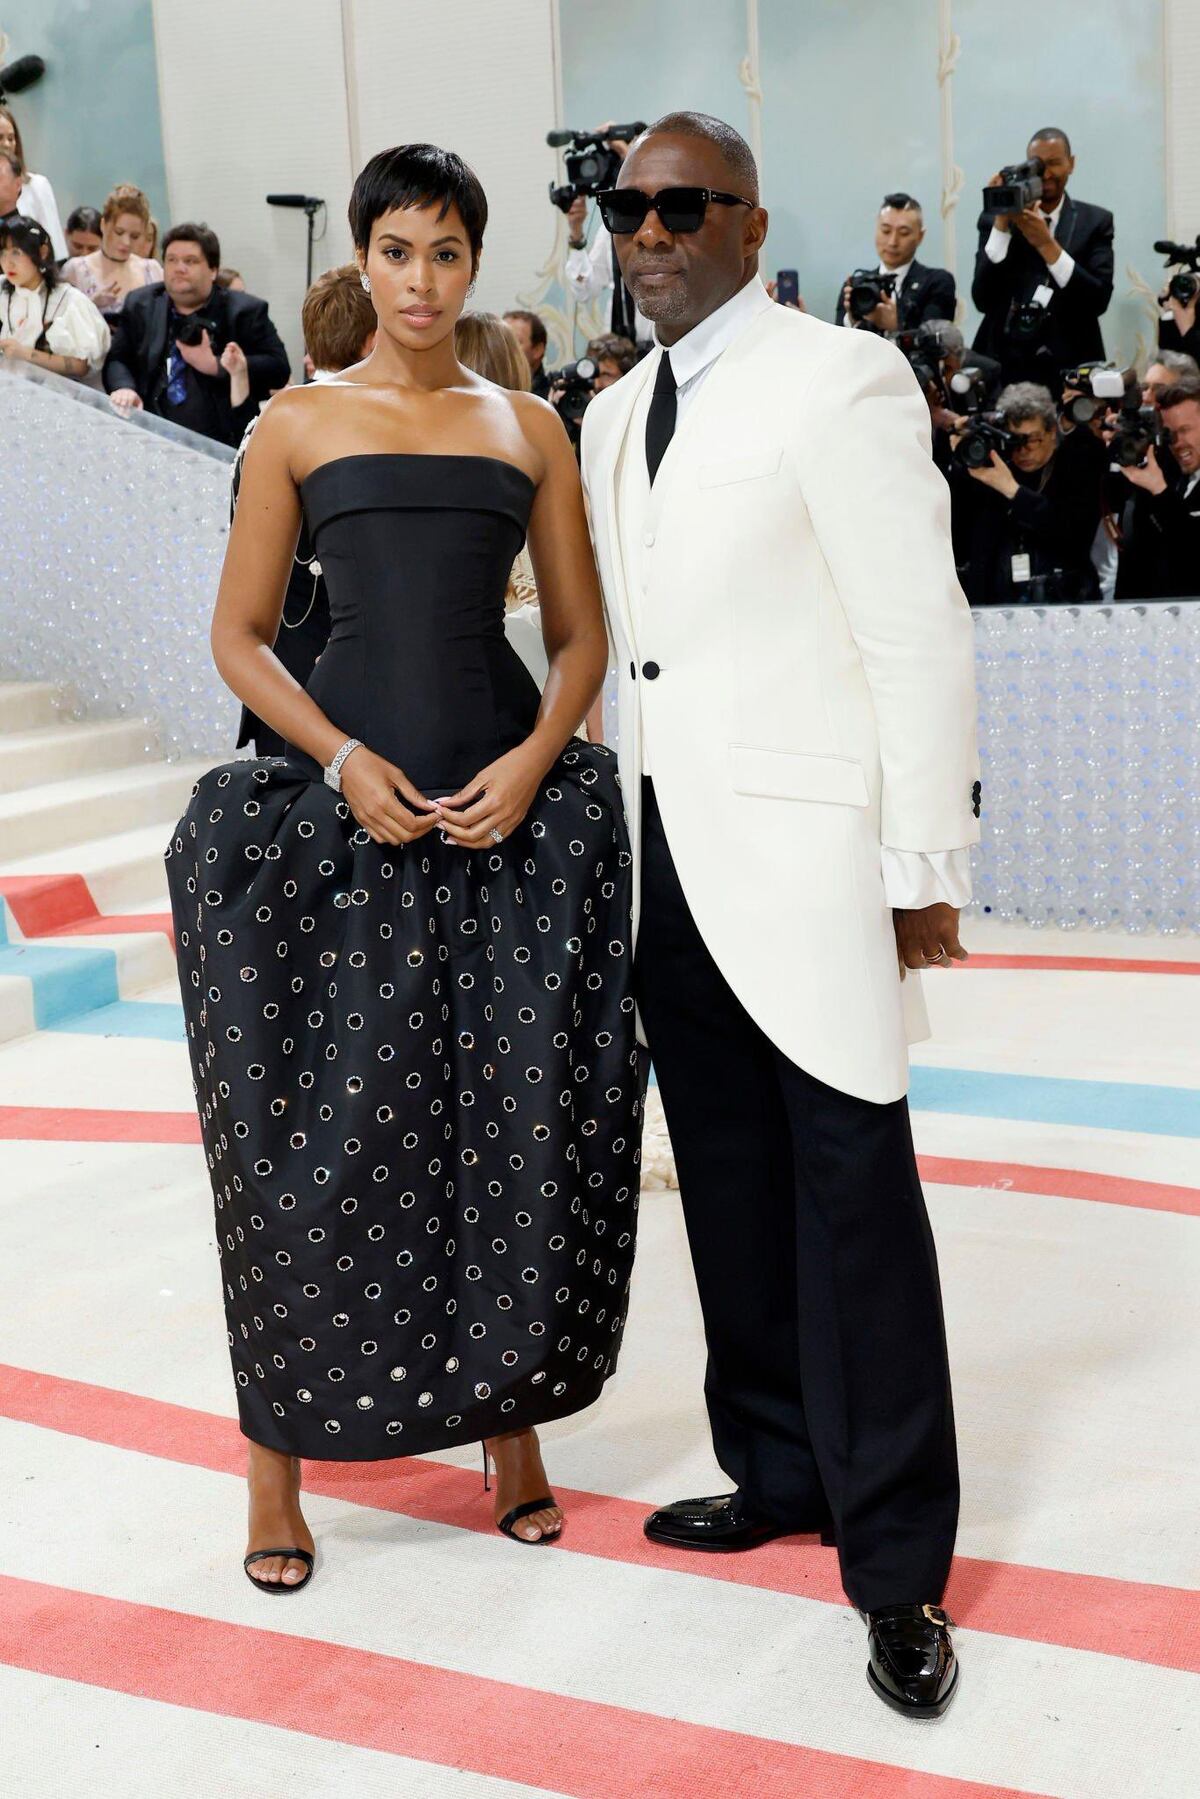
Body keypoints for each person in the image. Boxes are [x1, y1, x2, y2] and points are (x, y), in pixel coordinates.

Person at [163, 142, 645, 1593]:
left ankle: (512, 1441)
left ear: (472, 264)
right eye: (398, 252)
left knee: (519, 1132)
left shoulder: (533, 428)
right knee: (311, 1153)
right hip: (344, 822)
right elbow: (241, 634)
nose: (422, 281)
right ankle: (277, 1462)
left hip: (506, 821)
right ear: (359, 262)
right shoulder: (298, 424)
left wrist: (532, 759)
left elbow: (577, 639)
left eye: (446, 253)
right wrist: (335, 760)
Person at [580, 109, 978, 1720]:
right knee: (730, 1192)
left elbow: (918, 633)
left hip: (813, 865)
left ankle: (898, 1566)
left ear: (750, 223)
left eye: (688, 206)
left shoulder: (842, 377)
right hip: (662, 854)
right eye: (631, 208)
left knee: (854, 1205)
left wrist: (921, 868)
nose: (653, 231)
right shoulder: (610, 412)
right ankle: (777, 1468)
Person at [231, 263, 378, 758]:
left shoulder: (263, 424)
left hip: (273, 676)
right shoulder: (359, 431)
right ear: (372, 342)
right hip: (342, 685)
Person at [456, 308, 605, 743]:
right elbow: (580, 626)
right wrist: (593, 738)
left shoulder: (420, 476)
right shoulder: (548, 467)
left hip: (468, 703)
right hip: (550, 704)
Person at [103, 221, 290, 445]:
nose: (179, 268)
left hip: (222, 440)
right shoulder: (141, 303)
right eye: (171, 260)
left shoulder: (244, 311)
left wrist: (215, 366)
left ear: (213, 270)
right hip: (152, 433)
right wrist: (124, 387)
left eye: (190, 261)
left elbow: (278, 368)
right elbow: (117, 359)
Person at [971, 127, 1113, 391]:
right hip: (1006, 364)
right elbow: (982, 299)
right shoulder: (995, 220)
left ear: (1071, 164)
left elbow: (1097, 300)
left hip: (1070, 363)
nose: (1046, 174)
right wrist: (1002, 224)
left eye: (1054, 164)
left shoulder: (1095, 222)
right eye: (1037, 166)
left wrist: (1047, 244)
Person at [949, 381, 1103, 604]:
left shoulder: (1078, 461)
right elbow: (959, 534)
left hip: (1063, 600)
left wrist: (1012, 491)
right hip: (995, 603)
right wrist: (961, 459)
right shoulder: (988, 466)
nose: (1023, 450)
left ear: (1052, 431)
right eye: (1014, 440)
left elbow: (1074, 536)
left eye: (1032, 439)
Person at [564, 125, 654, 347]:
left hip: (656, 344)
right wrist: (576, 232)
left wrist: (629, 159)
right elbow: (585, 291)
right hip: (619, 349)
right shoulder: (611, 228)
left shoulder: (661, 219)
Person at [1112, 378, 1200, 599]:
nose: (1177, 442)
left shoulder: (1163, 486)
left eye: (1186, 430)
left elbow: (1193, 551)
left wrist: (1159, 491)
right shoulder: (1173, 476)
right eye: (1169, 433)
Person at [0, 215, 110, 382]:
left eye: (16, 253)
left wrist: (25, 354)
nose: (8, 263)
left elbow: (81, 366)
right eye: (3, 253)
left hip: (55, 396)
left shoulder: (69, 300)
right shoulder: (3, 289)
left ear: (42, 252)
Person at [835, 192, 956, 331]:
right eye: (886, 231)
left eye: (903, 233)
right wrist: (852, 319)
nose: (893, 242)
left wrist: (898, 325)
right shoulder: (856, 286)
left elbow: (939, 344)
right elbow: (838, 345)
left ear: (920, 236)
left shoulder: (937, 282)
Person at [62, 184, 163, 319]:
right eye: (119, 232)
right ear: (103, 225)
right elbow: (58, 324)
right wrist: (91, 304)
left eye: (135, 236)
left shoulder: (152, 270)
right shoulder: (76, 270)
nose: (126, 242)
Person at [0, 104, 67, 257]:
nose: (6, 144)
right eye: (0, 138)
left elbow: (55, 246)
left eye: (11, 138)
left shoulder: (36, 185)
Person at [502, 306, 551, 397]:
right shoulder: (484, 389)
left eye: (514, 341)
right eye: (501, 340)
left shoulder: (550, 398)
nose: (503, 347)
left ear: (537, 350)